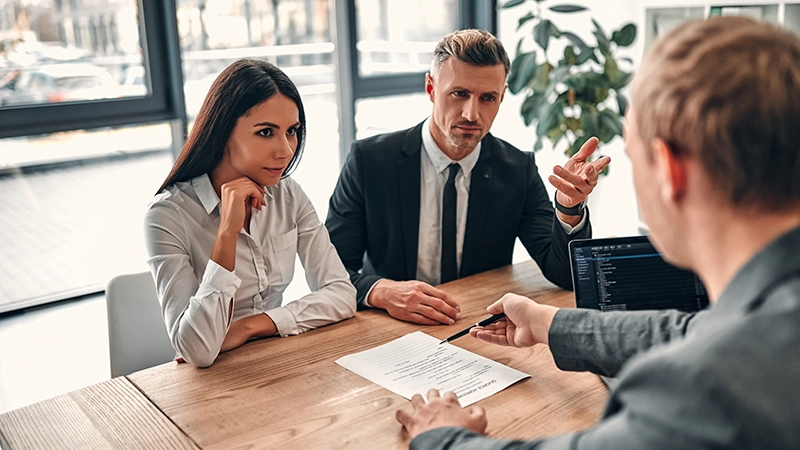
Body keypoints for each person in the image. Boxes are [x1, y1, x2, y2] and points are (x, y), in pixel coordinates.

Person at [395, 16, 800, 449]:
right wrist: (548, 322)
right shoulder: (772, 307)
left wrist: (440, 436)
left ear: (668, 170)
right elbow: (690, 329)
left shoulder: (701, 387)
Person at [326, 29, 609, 325]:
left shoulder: (517, 170)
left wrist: (568, 208)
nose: (472, 114)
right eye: (459, 93)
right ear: (431, 88)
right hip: (389, 326)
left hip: (476, 325)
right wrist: (382, 291)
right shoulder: (369, 161)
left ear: (502, 97)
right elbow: (331, 272)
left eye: (488, 98)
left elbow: (564, 276)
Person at [144, 59, 356, 368]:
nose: (285, 150)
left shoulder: (288, 193)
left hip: (272, 360)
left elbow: (342, 294)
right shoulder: (167, 215)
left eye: (292, 131)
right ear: (223, 131)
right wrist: (227, 233)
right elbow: (199, 350)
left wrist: (249, 327)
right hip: (207, 384)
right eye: (266, 132)